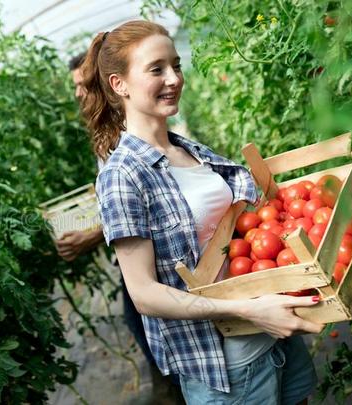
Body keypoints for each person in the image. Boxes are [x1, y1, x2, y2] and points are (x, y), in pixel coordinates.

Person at [80, 20, 323, 405]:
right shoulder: (122, 177)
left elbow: (243, 232)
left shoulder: (187, 149)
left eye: (175, 65)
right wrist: (250, 311)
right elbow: (144, 295)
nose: (174, 78)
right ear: (119, 84)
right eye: (156, 69)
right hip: (226, 366)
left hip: (273, 331)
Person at [57, 51, 184, 402]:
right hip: (140, 252)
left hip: (151, 253)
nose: (79, 94)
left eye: (84, 85)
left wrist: (90, 237)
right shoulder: (108, 129)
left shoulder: (126, 131)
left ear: (110, 82)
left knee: (151, 325)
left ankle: (179, 388)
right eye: (76, 88)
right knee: (142, 324)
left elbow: (146, 202)